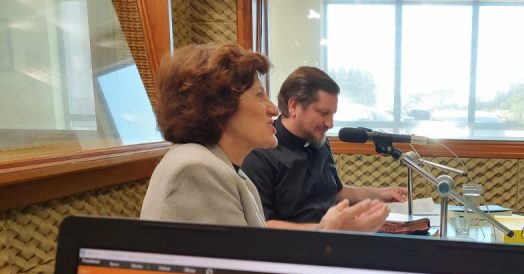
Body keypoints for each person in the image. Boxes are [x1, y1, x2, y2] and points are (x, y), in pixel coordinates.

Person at [140, 44, 387, 231]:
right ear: (219, 106)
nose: (273, 109)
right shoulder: (195, 169)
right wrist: (326, 233)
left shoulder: (226, 168)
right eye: (259, 95)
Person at [241, 66, 407, 230]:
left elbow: (336, 192)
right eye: (323, 113)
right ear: (293, 106)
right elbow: (261, 224)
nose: (330, 123)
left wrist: (382, 194)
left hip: (332, 239)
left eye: (332, 114)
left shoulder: (318, 139)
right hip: (297, 245)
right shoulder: (260, 151)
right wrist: (325, 229)